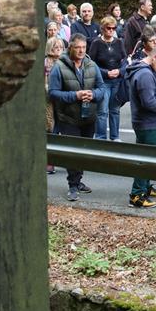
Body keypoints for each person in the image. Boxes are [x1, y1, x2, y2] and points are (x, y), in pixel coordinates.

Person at [47, 34, 106, 201]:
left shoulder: (92, 65)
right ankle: (72, 185)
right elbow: (53, 93)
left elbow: (102, 88)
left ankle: (78, 181)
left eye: (84, 47)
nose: (81, 51)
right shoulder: (59, 67)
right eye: (78, 47)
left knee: (84, 153)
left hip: (89, 117)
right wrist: (75, 95)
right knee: (72, 153)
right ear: (70, 48)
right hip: (68, 118)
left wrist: (93, 94)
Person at [125, 47, 156, 208]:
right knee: (145, 159)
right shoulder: (145, 74)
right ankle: (137, 194)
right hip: (147, 123)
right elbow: (149, 102)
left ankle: (144, 187)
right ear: (155, 57)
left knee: (146, 157)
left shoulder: (145, 71)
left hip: (147, 122)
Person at [89, 16, 126, 141]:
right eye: (108, 28)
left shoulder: (119, 42)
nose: (111, 30)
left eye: (113, 28)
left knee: (115, 110)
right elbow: (91, 64)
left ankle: (115, 137)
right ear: (102, 29)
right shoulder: (96, 43)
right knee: (102, 111)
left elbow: (125, 61)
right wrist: (106, 73)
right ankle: (101, 138)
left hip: (117, 81)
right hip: (102, 82)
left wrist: (120, 71)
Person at [43, 36, 65, 174]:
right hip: (48, 100)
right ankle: (49, 161)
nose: (58, 50)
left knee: (64, 129)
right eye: (56, 47)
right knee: (50, 129)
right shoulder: (45, 62)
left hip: (63, 98)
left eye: (60, 47)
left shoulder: (65, 62)